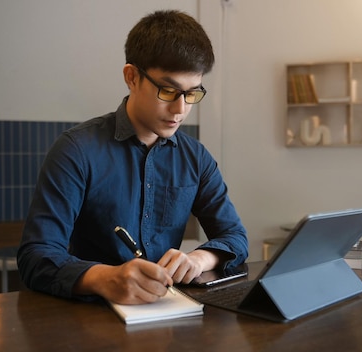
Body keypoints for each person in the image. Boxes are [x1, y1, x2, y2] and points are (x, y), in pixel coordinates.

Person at [17, 10, 248, 305]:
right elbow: (36, 256)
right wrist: (105, 278)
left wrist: (199, 260)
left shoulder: (196, 157)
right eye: (168, 90)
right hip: (87, 319)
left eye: (192, 93)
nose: (180, 109)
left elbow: (235, 237)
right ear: (132, 77)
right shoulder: (76, 150)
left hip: (167, 314)